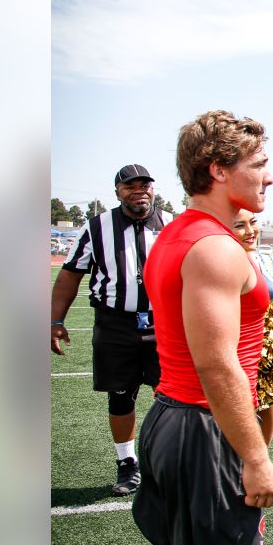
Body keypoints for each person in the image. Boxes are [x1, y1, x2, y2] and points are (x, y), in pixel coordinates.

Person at [131, 110, 273, 545]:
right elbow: (217, 367)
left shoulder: (178, 233)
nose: (268, 175)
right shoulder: (216, 247)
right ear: (218, 170)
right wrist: (256, 456)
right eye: (259, 164)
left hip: (171, 416)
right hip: (202, 427)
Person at [50, 164, 173, 496]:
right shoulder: (96, 227)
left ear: (153, 189)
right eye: (129, 185)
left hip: (164, 322)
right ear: (118, 191)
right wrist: (55, 320)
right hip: (115, 322)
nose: (138, 190)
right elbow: (70, 274)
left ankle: (169, 460)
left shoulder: (172, 224)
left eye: (144, 184)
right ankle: (127, 462)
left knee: (173, 394)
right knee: (120, 395)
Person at [232, 209, 273, 446]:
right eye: (240, 225)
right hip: (233, 348)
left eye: (253, 222)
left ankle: (259, 459)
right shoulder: (214, 262)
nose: (250, 231)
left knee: (269, 406)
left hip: (270, 346)